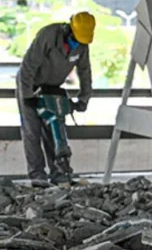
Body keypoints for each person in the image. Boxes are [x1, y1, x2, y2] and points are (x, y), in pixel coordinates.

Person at [16, 12, 95, 184]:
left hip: (53, 87)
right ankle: (37, 176)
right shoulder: (48, 36)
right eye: (75, 40)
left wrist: (83, 99)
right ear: (69, 30)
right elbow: (27, 68)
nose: (77, 45)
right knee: (32, 131)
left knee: (54, 130)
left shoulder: (82, 45)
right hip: (31, 85)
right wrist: (28, 96)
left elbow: (85, 73)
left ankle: (59, 174)